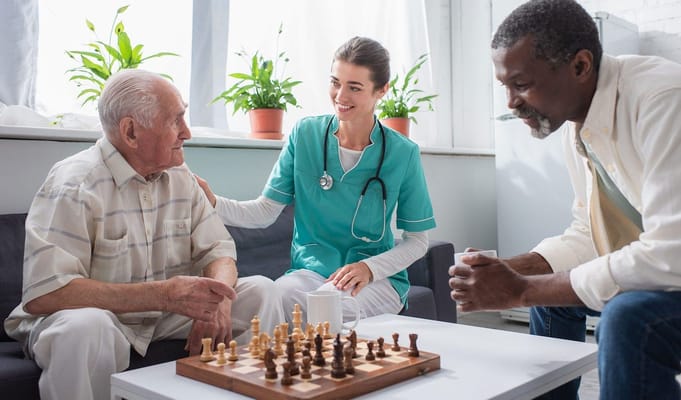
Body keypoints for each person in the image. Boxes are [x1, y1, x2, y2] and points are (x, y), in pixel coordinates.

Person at [3, 69, 284, 400]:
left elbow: (219, 250)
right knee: (85, 328)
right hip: (98, 321)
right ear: (131, 131)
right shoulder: (74, 184)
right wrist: (163, 295)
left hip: (164, 318)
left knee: (262, 293)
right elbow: (47, 294)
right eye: (175, 121)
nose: (187, 133)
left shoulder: (180, 176)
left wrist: (218, 298)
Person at [448, 1, 681, 399]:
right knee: (552, 297)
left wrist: (521, 290)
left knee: (628, 321)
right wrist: (513, 270)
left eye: (521, 84)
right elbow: (588, 234)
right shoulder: (580, 127)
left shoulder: (661, 100)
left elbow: (671, 255)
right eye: (505, 86)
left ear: (580, 66)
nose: (510, 101)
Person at [198, 36, 436, 325]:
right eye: (335, 82)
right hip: (309, 273)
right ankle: (265, 370)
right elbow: (264, 212)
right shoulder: (305, 135)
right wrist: (212, 201)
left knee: (326, 306)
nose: (340, 95)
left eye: (354, 87)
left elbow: (418, 241)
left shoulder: (402, 153)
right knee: (274, 297)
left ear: (381, 90)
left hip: (376, 279)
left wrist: (368, 268)